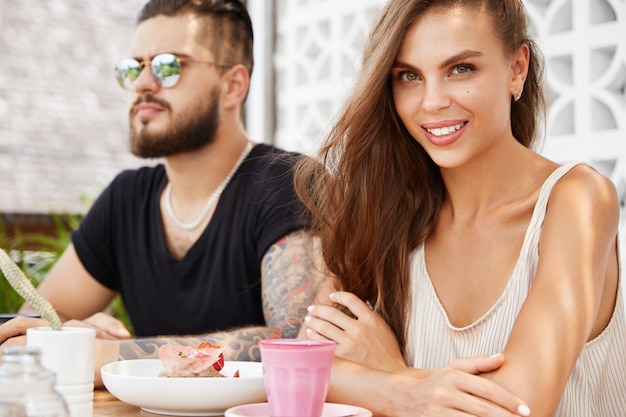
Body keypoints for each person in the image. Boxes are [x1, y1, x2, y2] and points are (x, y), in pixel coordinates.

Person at [295, 0, 626, 416]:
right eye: (409, 76)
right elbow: (301, 369)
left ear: (516, 69)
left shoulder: (578, 199)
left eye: (461, 69)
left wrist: (391, 373)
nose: (432, 102)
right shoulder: (383, 215)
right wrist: (410, 391)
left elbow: (517, 406)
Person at [0, 0, 322, 387]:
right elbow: (30, 326)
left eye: (169, 66)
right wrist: (75, 334)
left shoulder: (290, 182)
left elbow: (299, 342)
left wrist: (116, 355)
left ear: (232, 85)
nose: (143, 84)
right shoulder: (126, 199)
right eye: (135, 67)